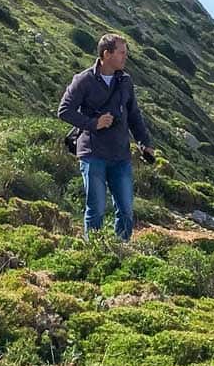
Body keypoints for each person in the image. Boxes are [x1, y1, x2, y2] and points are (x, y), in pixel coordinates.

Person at [57, 33, 154, 240]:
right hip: (93, 154)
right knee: (96, 210)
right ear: (106, 54)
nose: (125, 57)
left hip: (121, 155)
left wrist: (145, 143)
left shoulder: (126, 81)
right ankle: (94, 253)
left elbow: (134, 114)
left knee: (126, 211)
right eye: (121, 53)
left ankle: (121, 251)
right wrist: (94, 124)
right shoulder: (83, 80)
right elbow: (64, 110)